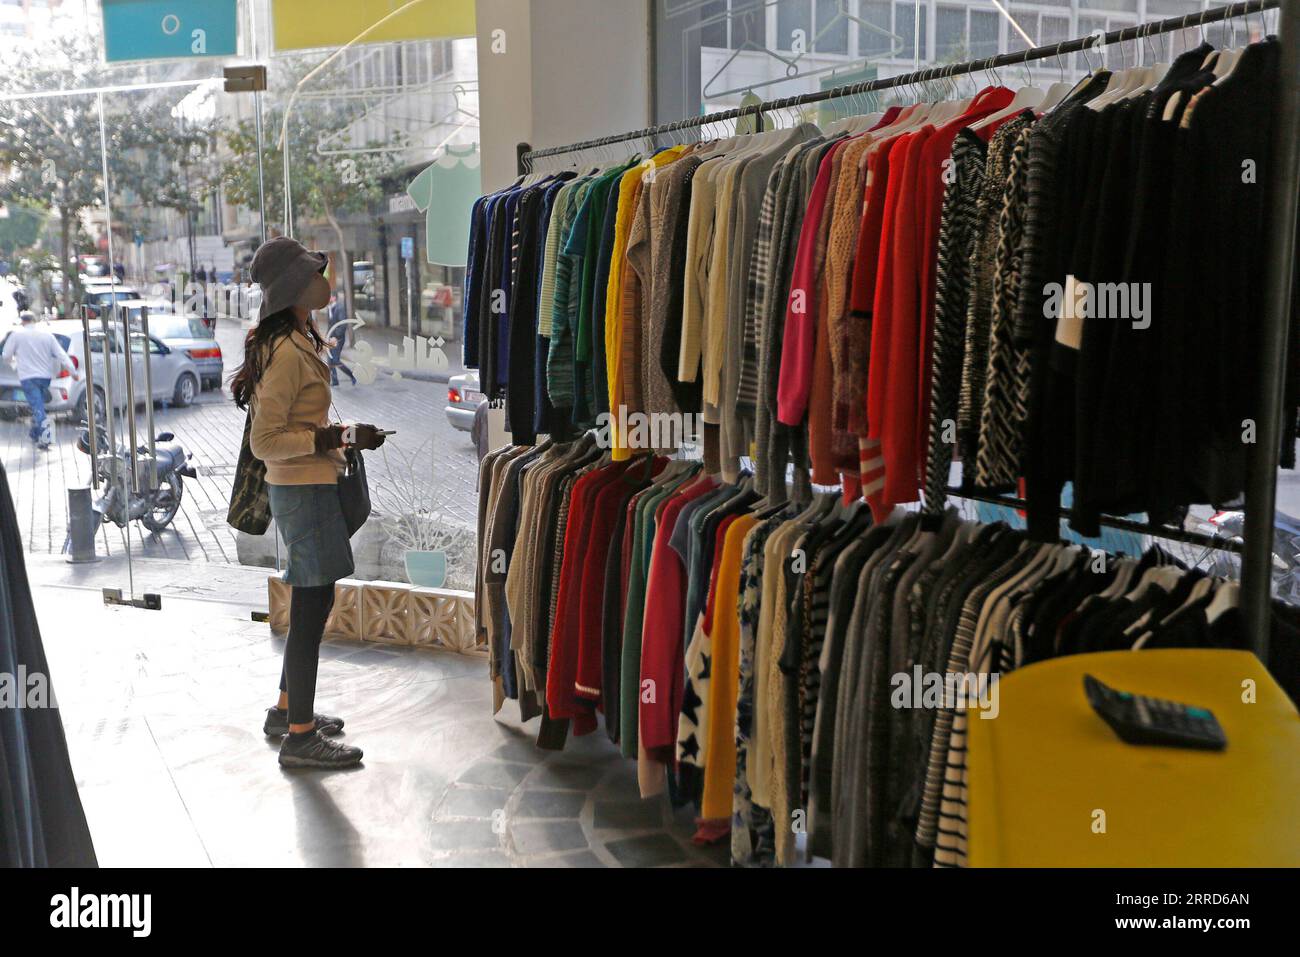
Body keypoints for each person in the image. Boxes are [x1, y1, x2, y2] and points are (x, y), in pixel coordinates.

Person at [231, 237, 388, 770]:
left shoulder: (298, 337)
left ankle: (286, 712)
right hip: (301, 489)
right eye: (314, 273)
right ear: (294, 288)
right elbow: (265, 440)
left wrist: (342, 436)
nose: (324, 280)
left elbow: (299, 424)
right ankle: (300, 737)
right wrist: (328, 439)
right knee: (310, 608)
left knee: (311, 605)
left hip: (309, 484)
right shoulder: (284, 352)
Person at [1, 311, 77, 450]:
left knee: (37, 406)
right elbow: (61, 354)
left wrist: (14, 363)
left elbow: (6, 355)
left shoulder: (17, 335)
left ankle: (45, 438)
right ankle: (34, 433)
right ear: (34, 321)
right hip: (45, 377)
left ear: (23, 321)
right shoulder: (47, 335)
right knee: (39, 404)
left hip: (28, 377)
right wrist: (73, 371)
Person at [325, 291, 356, 387]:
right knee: (330, 360)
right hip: (330, 337)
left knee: (335, 360)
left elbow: (343, 324)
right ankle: (334, 381)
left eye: (329, 297)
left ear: (334, 298)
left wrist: (336, 336)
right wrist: (327, 336)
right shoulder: (329, 308)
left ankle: (351, 375)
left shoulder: (340, 308)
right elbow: (330, 324)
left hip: (338, 338)